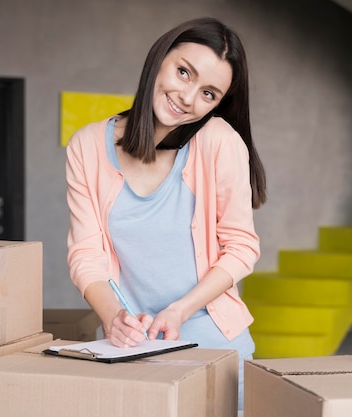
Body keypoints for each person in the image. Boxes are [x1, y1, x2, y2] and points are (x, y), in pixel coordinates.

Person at [65, 17, 267, 411]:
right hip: (127, 349)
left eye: (208, 93)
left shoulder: (219, 142)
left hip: (216, 348)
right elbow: (84, 253)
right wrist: (113, 316)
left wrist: (180, 310)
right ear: (159, 58)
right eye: (183, 72)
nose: (188, 97)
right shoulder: (87, 146)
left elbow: (243, 247)